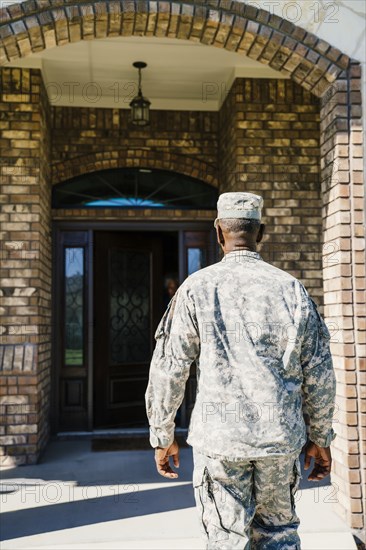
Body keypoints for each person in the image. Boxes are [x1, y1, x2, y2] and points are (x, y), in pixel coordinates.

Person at [145, 192, 336, 549]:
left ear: (219, 232)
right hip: (279, 440)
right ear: (260, 232)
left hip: (220, 443)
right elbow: (319, 371)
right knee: (280, 536)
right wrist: (321, 437)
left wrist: (162, 433)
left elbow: (169, 367)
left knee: (225, 540)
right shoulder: (290, 289)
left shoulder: (196, 289)